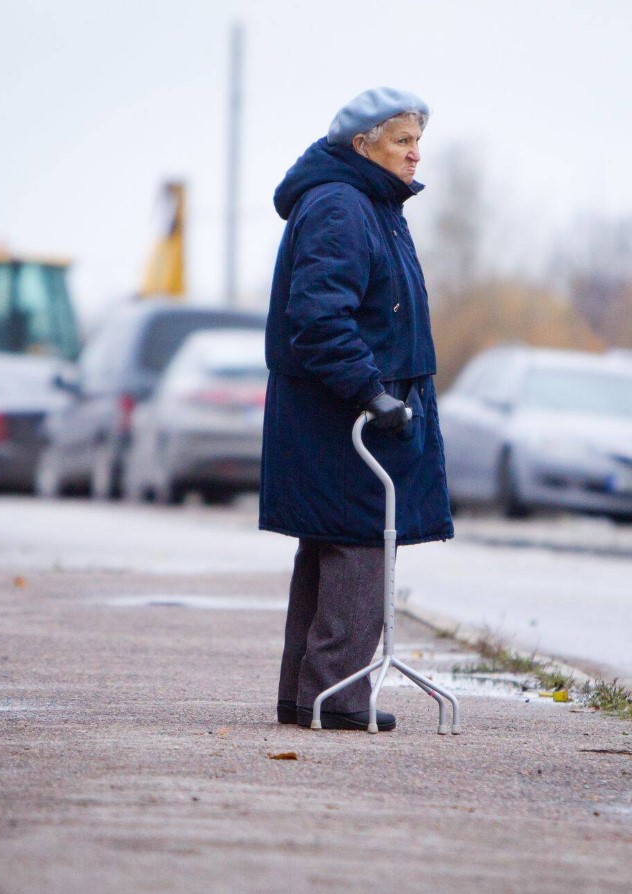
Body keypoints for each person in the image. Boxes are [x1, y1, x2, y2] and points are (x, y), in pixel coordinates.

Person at [260, 87, 453, 732]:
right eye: (402, 141)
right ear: (362, 145)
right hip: (347, 417)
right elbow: (319, 320)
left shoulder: (367, 203)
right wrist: (372, 392)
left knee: (334, 546)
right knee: (359, 547)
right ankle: (336, 697)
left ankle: (309, 696)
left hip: (345, 415)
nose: (415, 154)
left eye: (418, 141)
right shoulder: (343, 206)